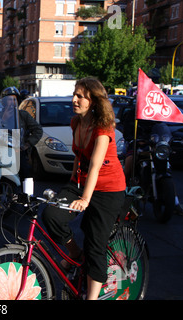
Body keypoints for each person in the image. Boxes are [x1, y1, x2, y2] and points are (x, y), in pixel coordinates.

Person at [41, 77, 126, 300]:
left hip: (108, 189)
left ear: (93, 101)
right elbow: (79, 157)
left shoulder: (103, 129)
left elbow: (96, 166)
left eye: (80, 96)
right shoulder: (76, 123)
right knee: (51, 214)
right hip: (81, 183)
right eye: (74, 94)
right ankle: (75, 254)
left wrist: (85, 199)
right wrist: (71, 186)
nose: (74, 99)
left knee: (95, 245)